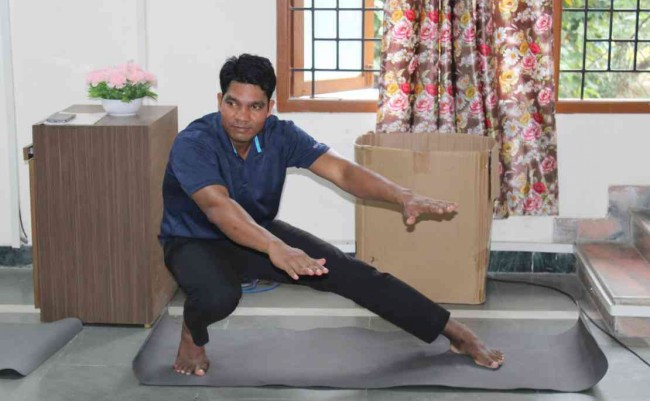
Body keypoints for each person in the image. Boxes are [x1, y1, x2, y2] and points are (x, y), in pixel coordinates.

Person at [159, 54, 504, 377]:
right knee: (219, 296)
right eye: (233, 103)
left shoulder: (280, 135)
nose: (241, 116)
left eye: (255, 107)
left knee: (351, 273)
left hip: (258, 232)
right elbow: (218, 208)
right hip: (192, 239)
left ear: (269, 108)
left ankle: (457, 333)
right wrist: (276, 247)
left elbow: (341, 171)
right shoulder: (195, 142)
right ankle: (192, 332)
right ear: (219, 100)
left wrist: (402, 195)